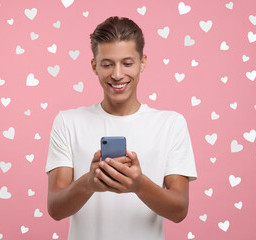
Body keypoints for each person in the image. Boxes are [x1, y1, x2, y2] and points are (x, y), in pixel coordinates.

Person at [45, 16, 198, 240]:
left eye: (127, 63)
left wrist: (139, 185)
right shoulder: (67, 122)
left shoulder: (171, 124)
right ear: (94, 65)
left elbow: (179, 210)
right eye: (107, 64)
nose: (117, 74)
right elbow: (55, 208)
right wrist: (88, 183)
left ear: (143, 62)